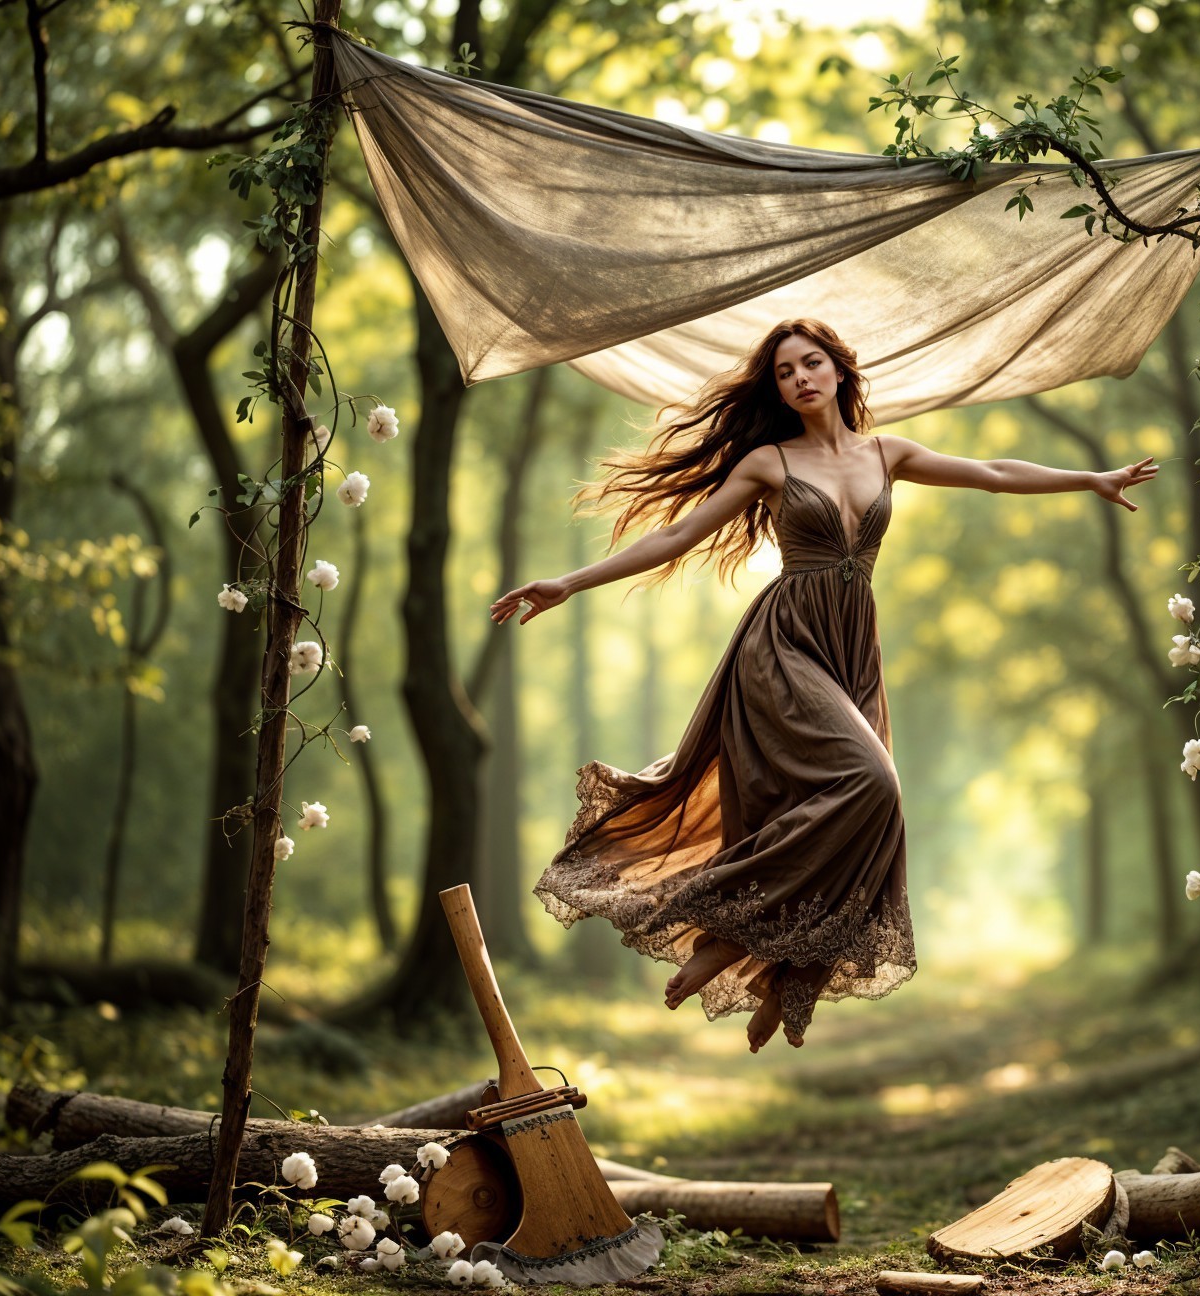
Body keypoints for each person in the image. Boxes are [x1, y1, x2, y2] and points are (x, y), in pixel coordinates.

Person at [489, 320, 1158, 1051]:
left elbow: (993, 472)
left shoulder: (887, 452)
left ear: (841, 372)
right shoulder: (769, 462)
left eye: (812, 363)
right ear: (776, 388)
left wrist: (1089, 479)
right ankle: (723, 930)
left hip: (851, 653)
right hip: (784, 648)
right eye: (784, 372)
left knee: (871, 810)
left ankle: (784, 971)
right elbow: (674, 538)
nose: (800, 378)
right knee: (875, 782)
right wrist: (571, 583)